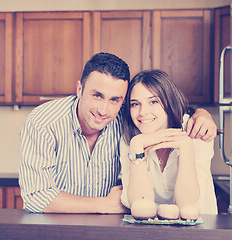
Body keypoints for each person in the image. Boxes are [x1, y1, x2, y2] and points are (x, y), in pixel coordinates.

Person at [19, 52, 217, 214]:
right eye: (97, 96)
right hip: (55, 226)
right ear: (80, 89)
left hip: (109, 228)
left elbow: (165, 111)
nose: (104, 110)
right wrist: (103, 205)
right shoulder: (44, 122)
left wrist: (202, 114)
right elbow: (36, 197)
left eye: (115, 100)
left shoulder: (129, 117)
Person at [120, 69, 217, 214]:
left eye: (153, 101)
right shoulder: (131, 137)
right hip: (149, 230)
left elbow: (188, 206)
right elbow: (140, 204)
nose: (142, 112)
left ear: (169, 101)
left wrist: (185, 146)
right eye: (135, 104)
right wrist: (137, 145)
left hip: (201, 229)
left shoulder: (197, 129)